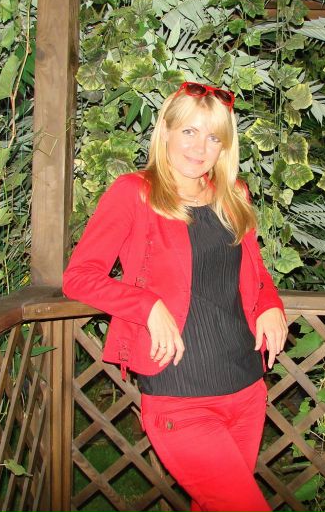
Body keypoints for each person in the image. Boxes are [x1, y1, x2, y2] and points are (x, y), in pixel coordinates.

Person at [62, 81, 288, 512]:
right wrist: (146, 305)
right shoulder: (135, 192)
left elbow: (256, 273)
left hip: (245, 386)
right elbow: (79, 278)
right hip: (180, 396)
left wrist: (271, 305)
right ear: (165, 131)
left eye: (213, 137)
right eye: (189, 131)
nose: (200, 147)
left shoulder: (234, 195)